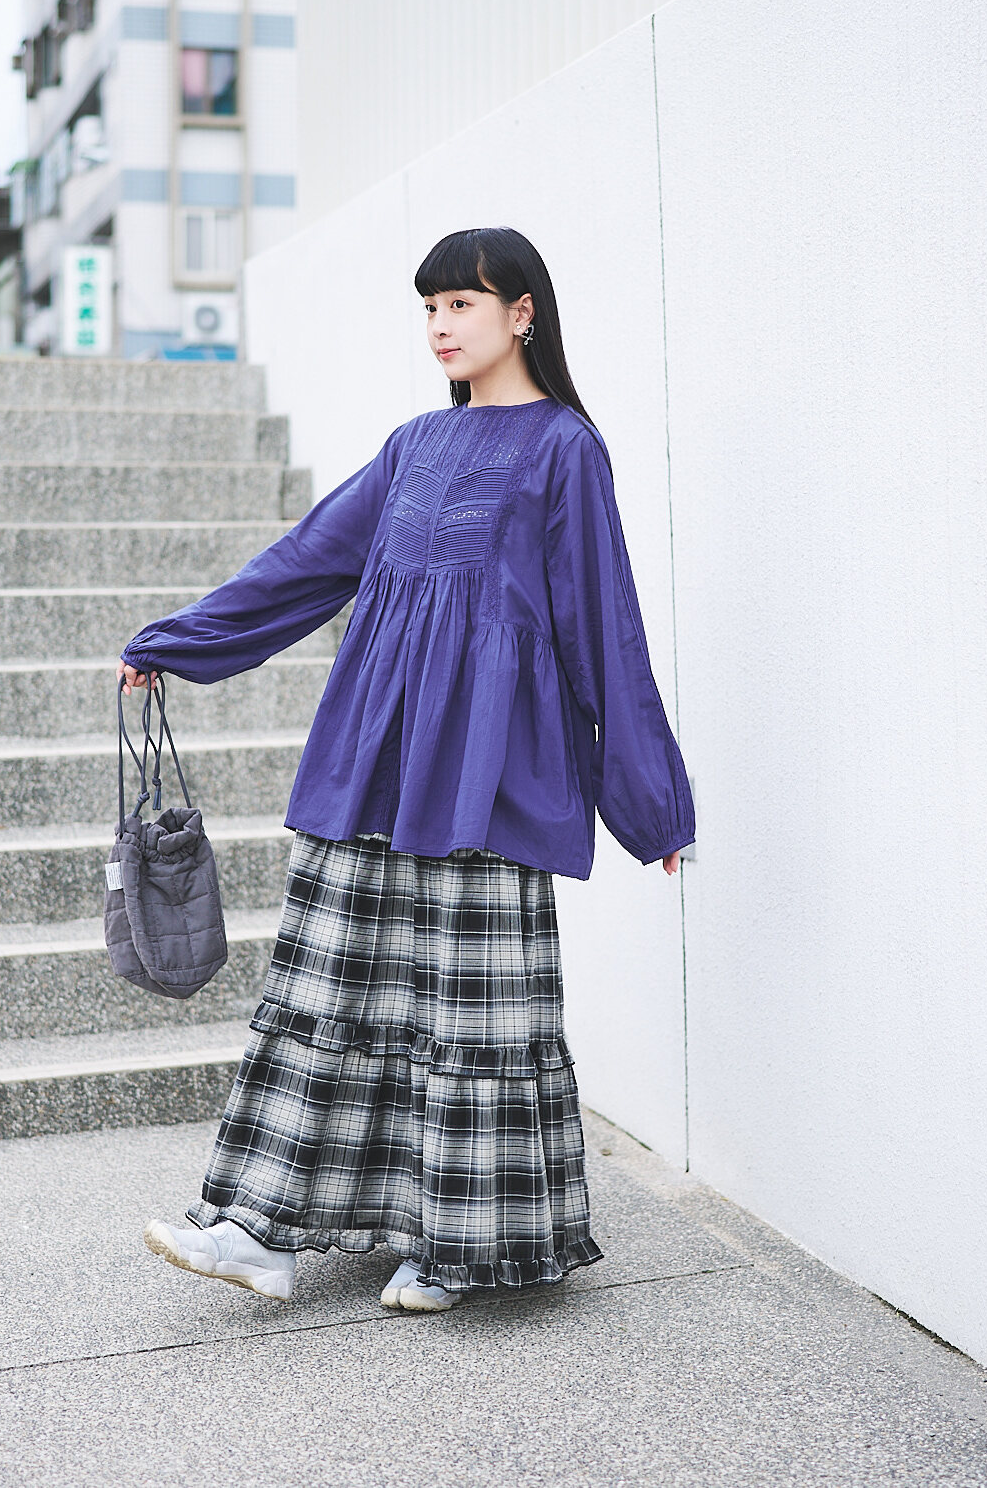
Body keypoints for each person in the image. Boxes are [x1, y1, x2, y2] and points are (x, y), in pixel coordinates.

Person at [119, 225, 695, 1314]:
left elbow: (603, 627)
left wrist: (650, 803)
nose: (440, 325)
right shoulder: (413, 445)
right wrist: (178, 643)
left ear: (522, 312)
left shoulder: (565, 449)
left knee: (471, 1016)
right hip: (376, 758)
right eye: (429, 307)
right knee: (328, 996)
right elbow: (307, 563)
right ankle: (259, 1230)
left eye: (461, 304)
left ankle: (457, 1246)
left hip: (490, 773)